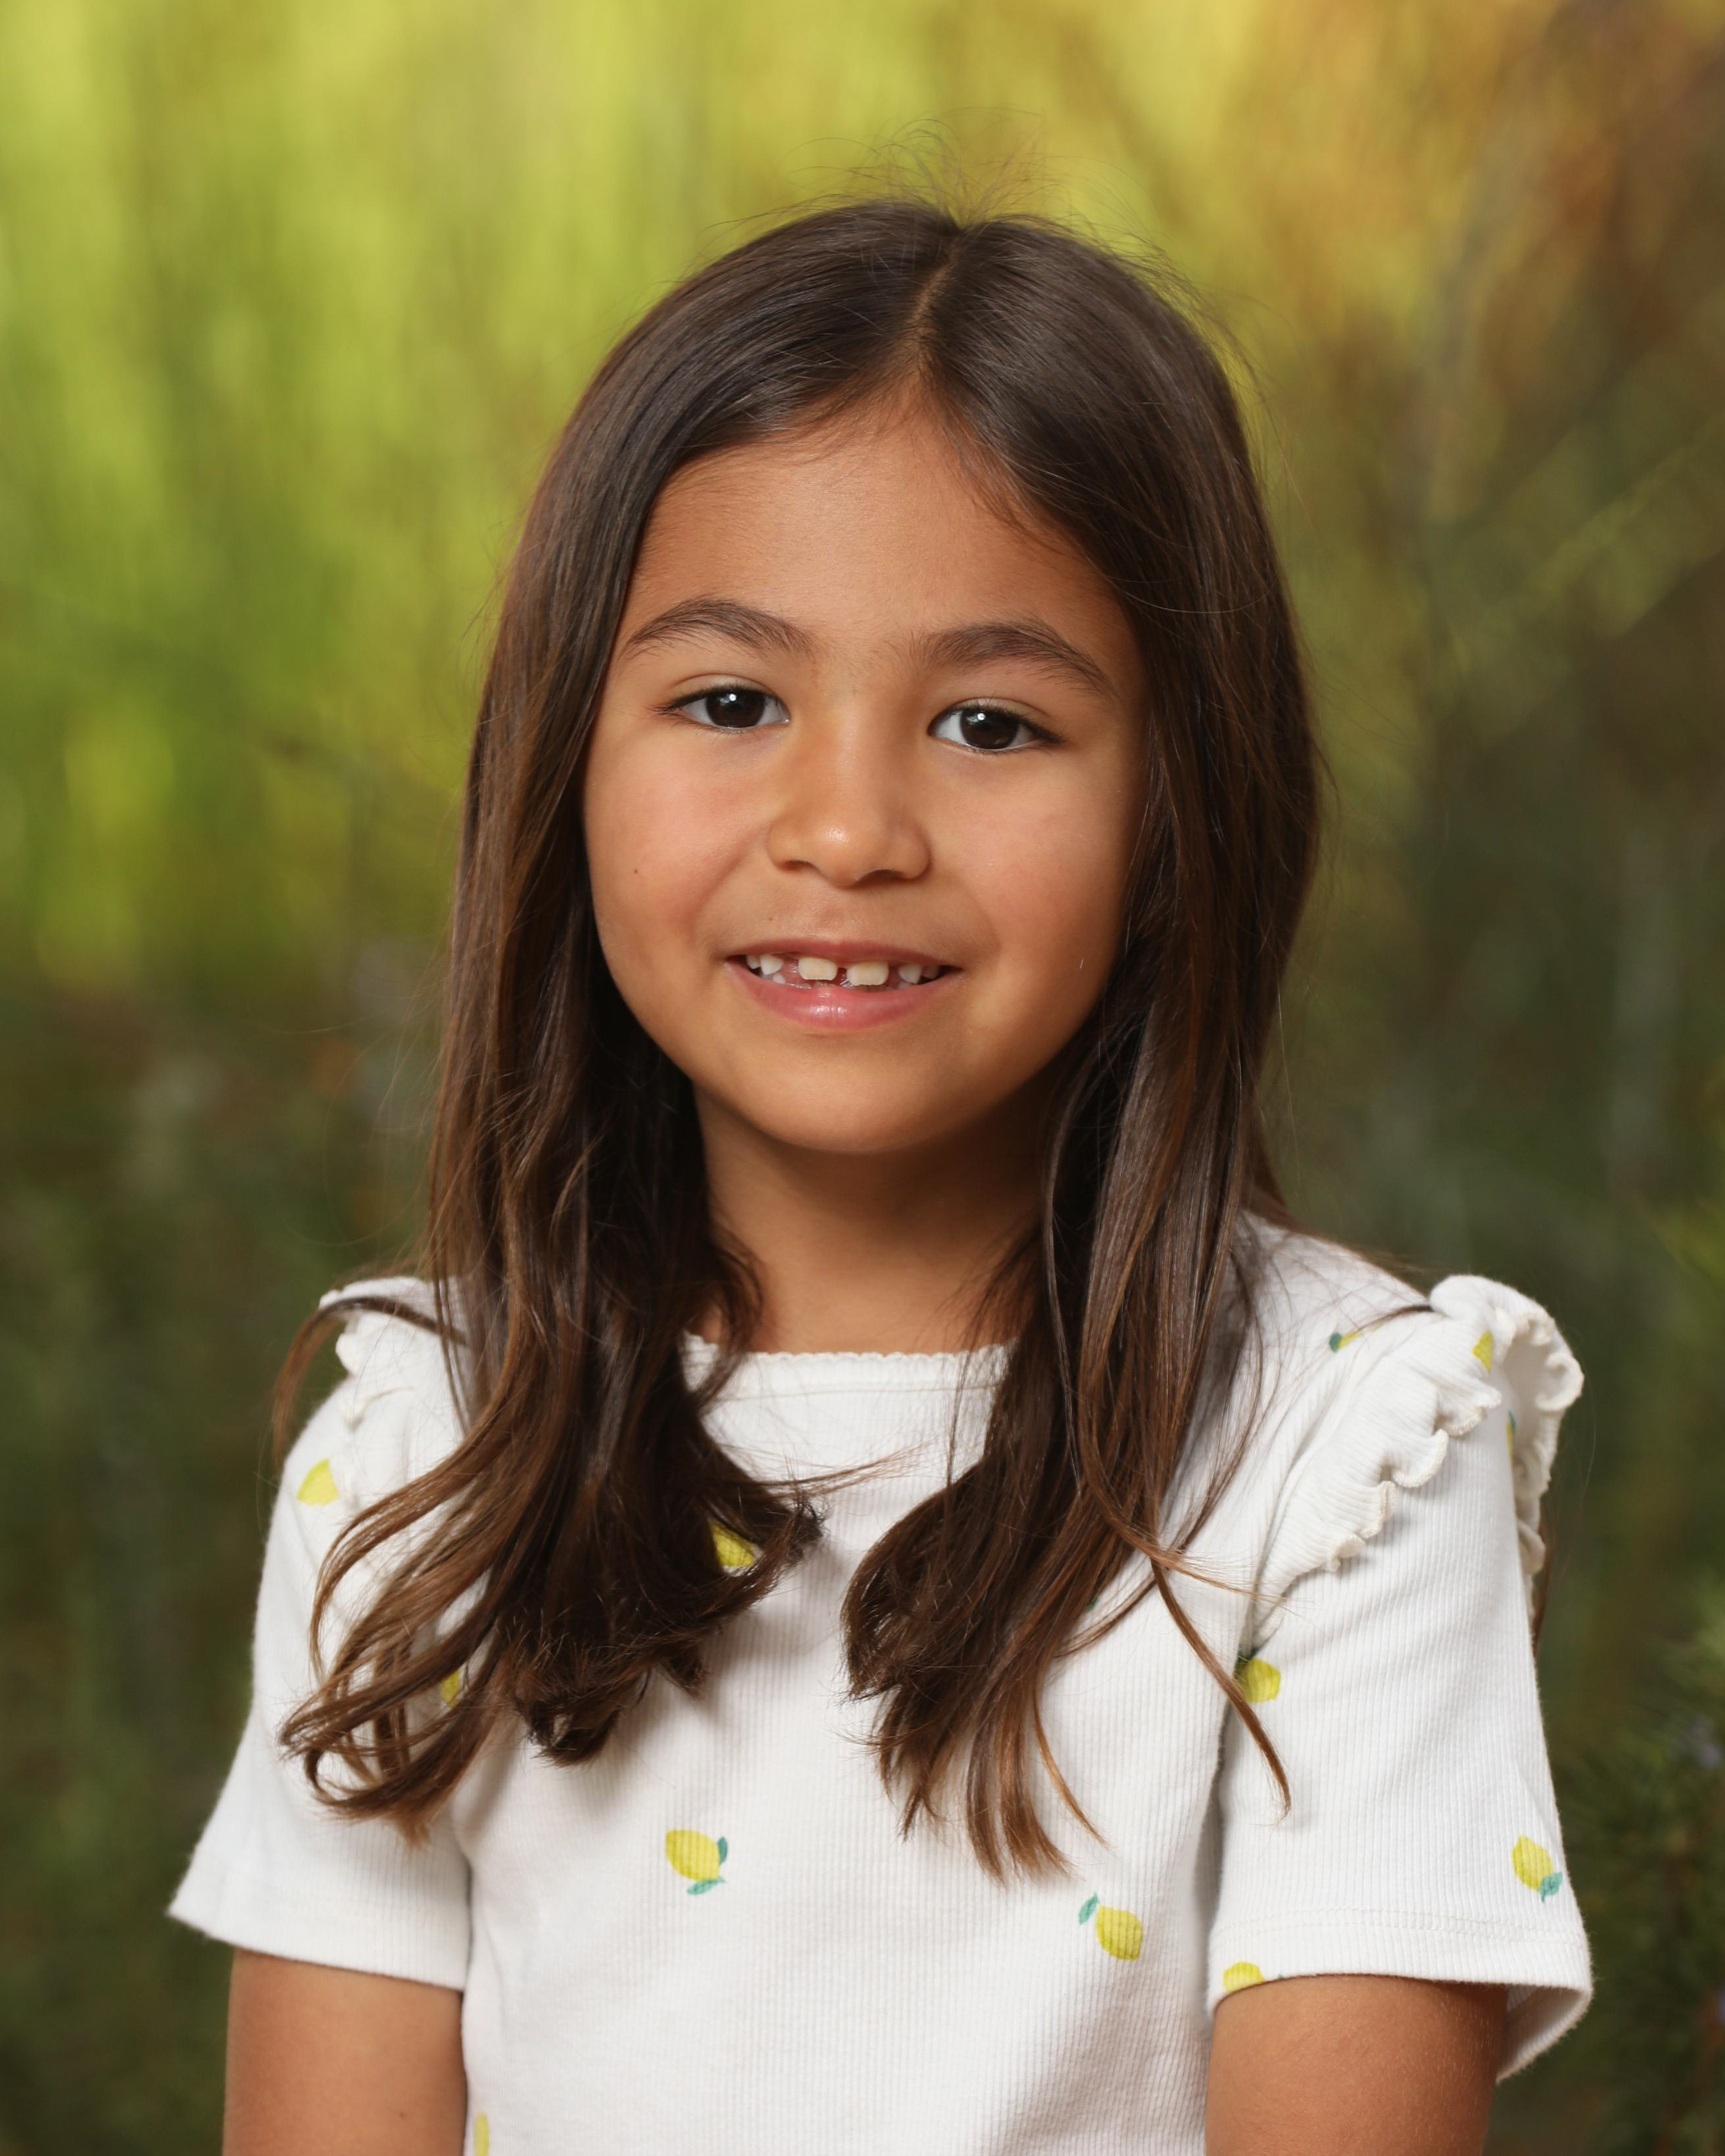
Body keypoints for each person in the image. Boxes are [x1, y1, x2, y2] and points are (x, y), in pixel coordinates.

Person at [168, 187, 1592, 2154]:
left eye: (991, 722)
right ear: (564, 756)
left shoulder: (1341, 1463)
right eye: (730, 701)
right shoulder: (425, 1449)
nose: (847, 829)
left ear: (1178, 806)